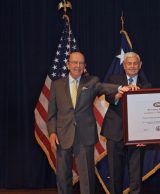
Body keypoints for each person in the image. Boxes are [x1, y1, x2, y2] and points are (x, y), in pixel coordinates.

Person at [47, 51, 133, 194]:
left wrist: (120, 88)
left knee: (87, 178)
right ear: (68, 65)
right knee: (63, 177)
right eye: (75, 62)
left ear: (85, 66)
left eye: (81, 63)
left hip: (84, 138)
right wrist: (52, 133)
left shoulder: (91, 82)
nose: (78, 66)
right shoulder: (56, 85)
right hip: (62, 137)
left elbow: (103, 87)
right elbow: (52, 114)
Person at [101, 52, 151, 194]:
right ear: (124, 65)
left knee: (136, 175)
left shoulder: (146, 85)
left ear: (140, 66)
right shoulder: (114, 79)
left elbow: (148, 111)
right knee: (115, 173)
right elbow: (109, 98)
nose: (132, 66)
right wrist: (120, 93)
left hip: (137, 136)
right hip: (115, 132)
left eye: (135, 63)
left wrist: (145, 136)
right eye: (129, 63)